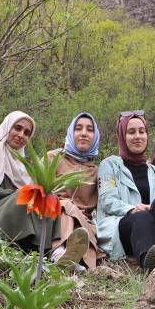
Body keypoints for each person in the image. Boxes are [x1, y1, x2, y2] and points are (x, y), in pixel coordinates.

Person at [0, 110, 89, 268]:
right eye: (17, 128)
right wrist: (18, 195)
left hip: (8, 216)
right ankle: (0, 248)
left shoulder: (23, 167)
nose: (21, 135)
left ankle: (55, 253)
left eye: (27, 133)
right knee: (26, 196)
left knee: (47, 198)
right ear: (7, 127)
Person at [96, 111, 155, 271]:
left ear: (147, 135)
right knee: (141, 217)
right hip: (121, 225)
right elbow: (108, 201)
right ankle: (148, 262)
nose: (138, 136)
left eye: (142, 131)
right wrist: (133, 209)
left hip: (151, 225)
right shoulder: (109, 165)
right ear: (121, 136)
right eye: (131, 132)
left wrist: (149, 208)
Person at [46, 112, 102, 270]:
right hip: (54, 215)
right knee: (65, 206)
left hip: (84, 223)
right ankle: (59, 251)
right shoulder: (53, 158)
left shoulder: (97, 171)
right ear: (71, 132)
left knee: (84, 230)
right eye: (78, 128)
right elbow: (39, 189)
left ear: (95, 136)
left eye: (90, 130)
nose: (84, 133)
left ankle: (76, 259)